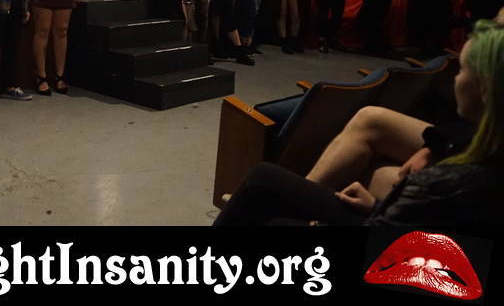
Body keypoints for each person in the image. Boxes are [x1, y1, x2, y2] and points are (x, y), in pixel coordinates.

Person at [215, 18, 504, 226]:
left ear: (485, 88)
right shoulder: (481, 164)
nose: (455, 79)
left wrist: (375, 212)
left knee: (263, 183)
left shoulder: (446, 187)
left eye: (462, 70)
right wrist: (376, 206)